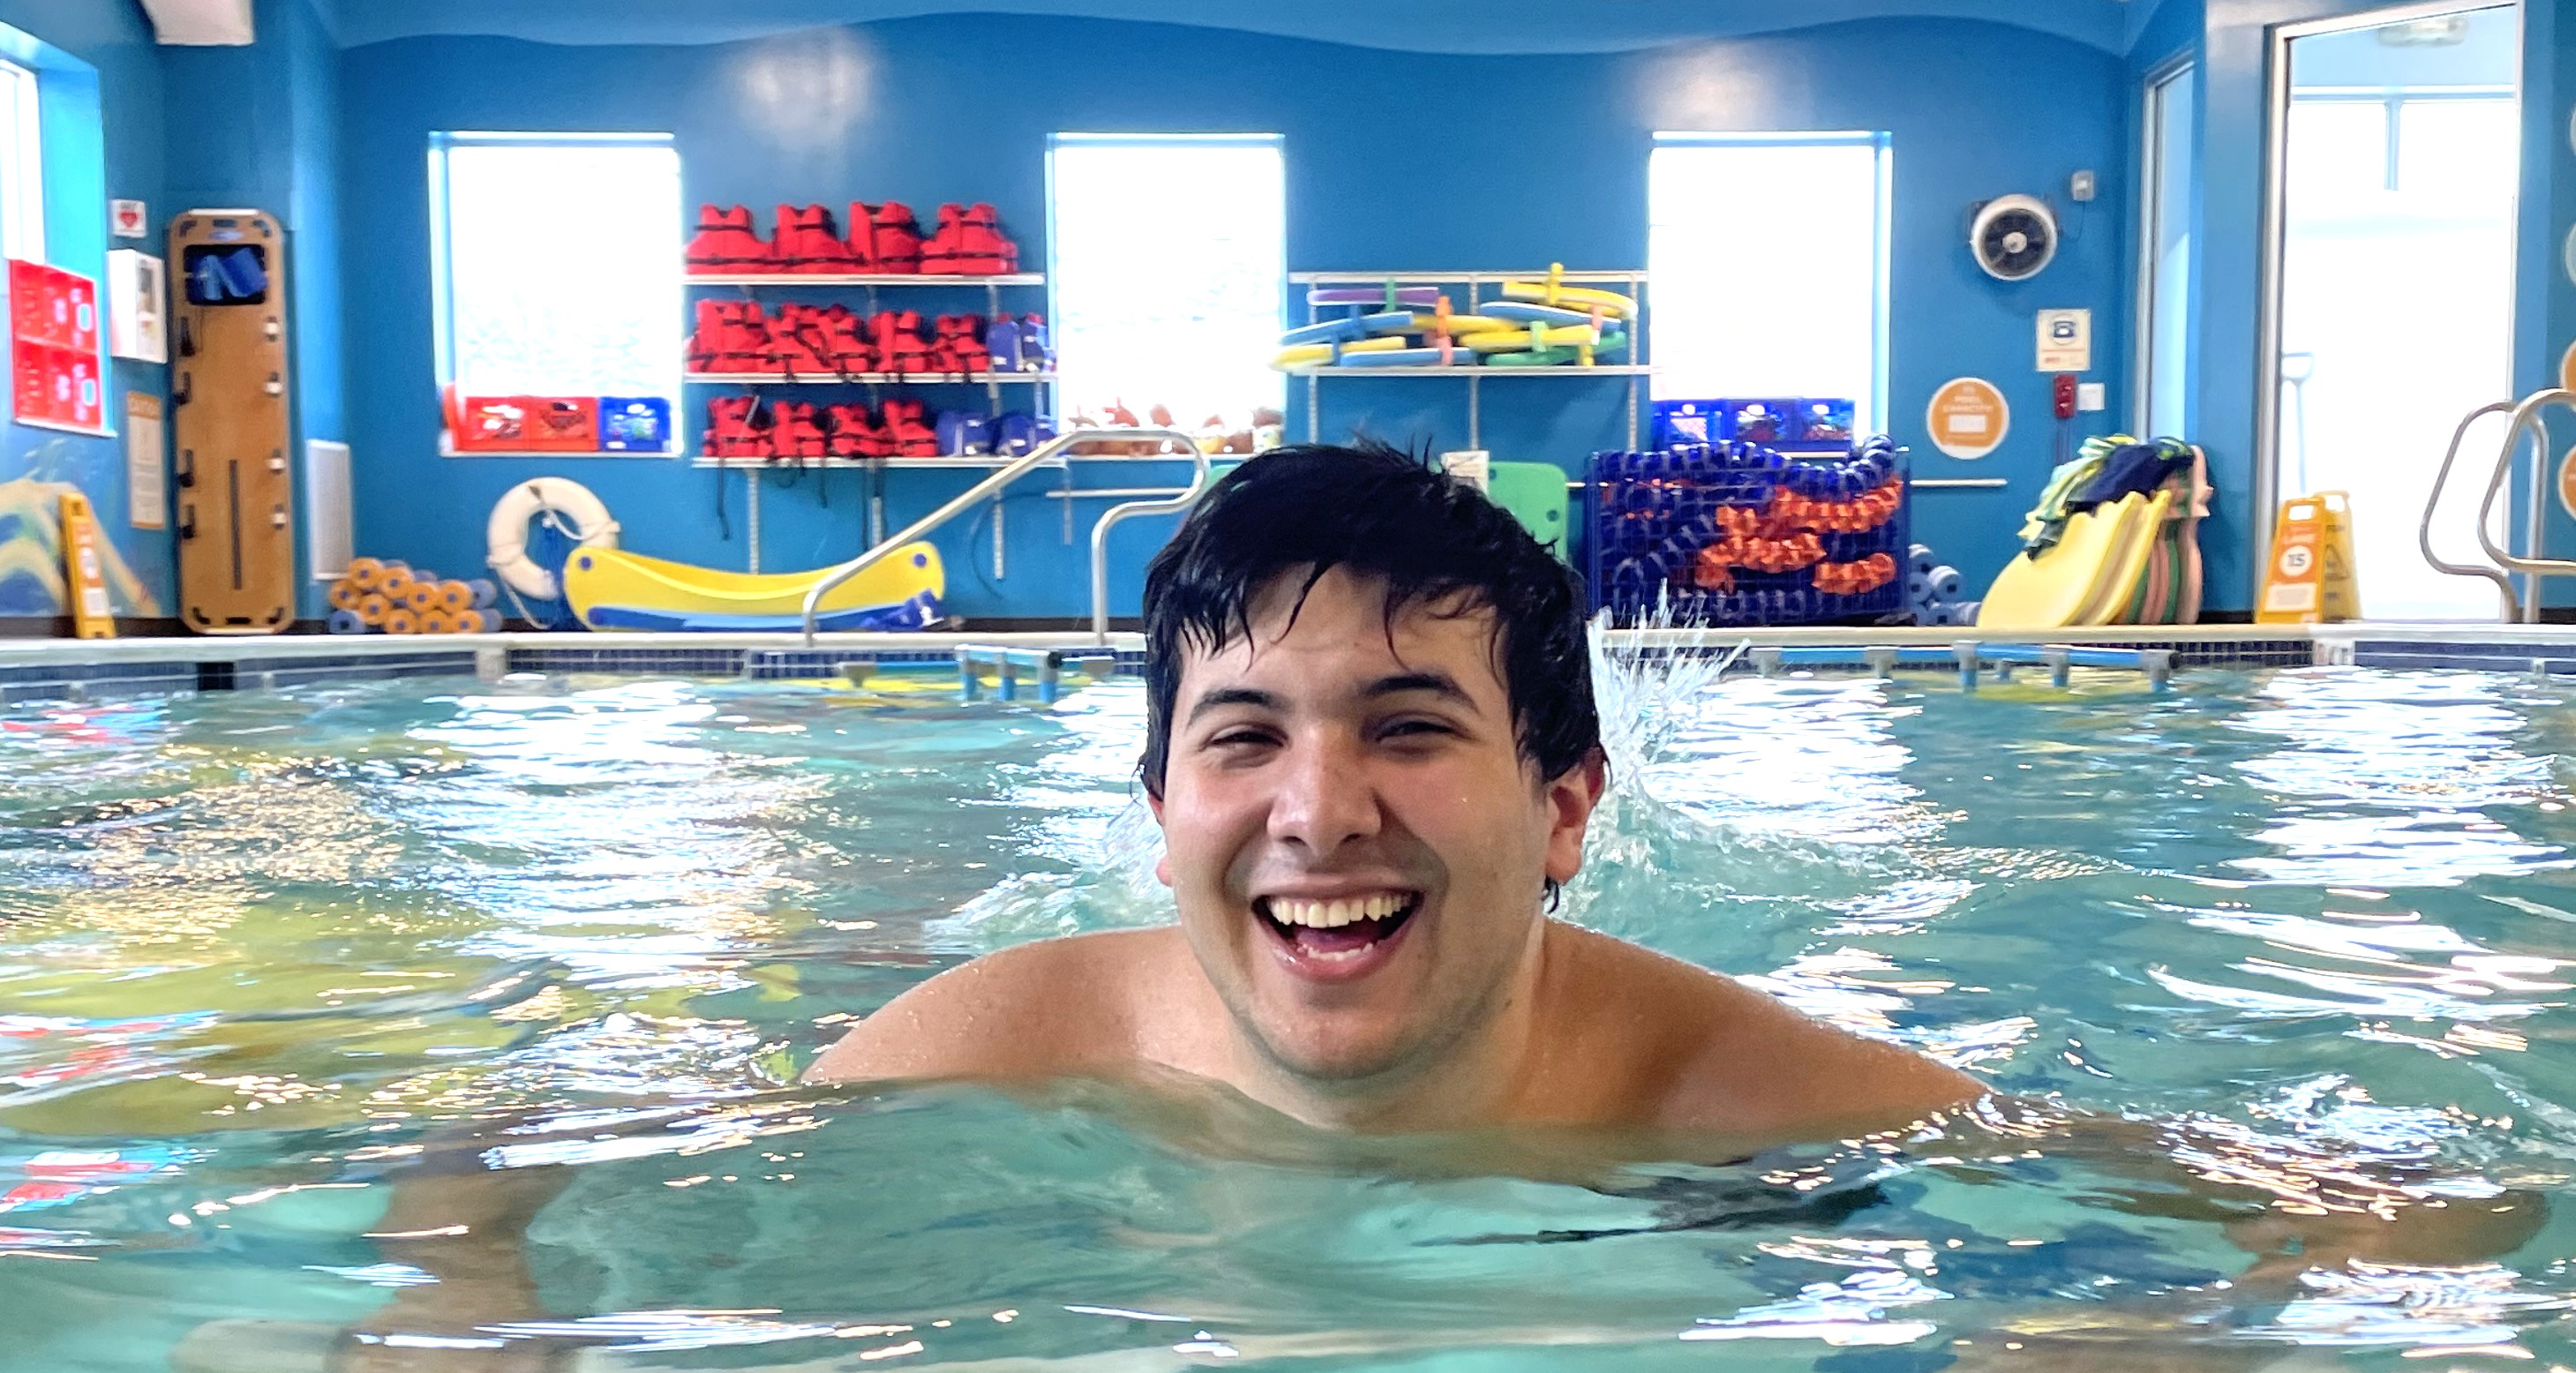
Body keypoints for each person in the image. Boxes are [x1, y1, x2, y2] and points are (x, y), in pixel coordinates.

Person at [813, 442, 1976, 1149]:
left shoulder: (1774, 1109)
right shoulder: (980, 1062)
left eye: (1410, 729)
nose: (1320, 815)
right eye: (1245, 736)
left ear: (1563, 811)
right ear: (1163, 817)